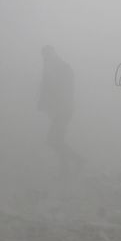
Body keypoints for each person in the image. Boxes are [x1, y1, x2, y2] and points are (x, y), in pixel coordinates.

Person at [37, 46, 84, 177]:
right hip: (59, 109)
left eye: (47, 56)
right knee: (57, 140)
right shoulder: (51, 68)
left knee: (53, 140)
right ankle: (69, 167)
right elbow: (46, 88)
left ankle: (75, 163)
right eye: (44, 56)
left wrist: (58, 106)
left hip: (64, 109)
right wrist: (45, 105)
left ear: (52, 54)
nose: (45, 59)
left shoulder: (63, 68)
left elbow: (66, 90)